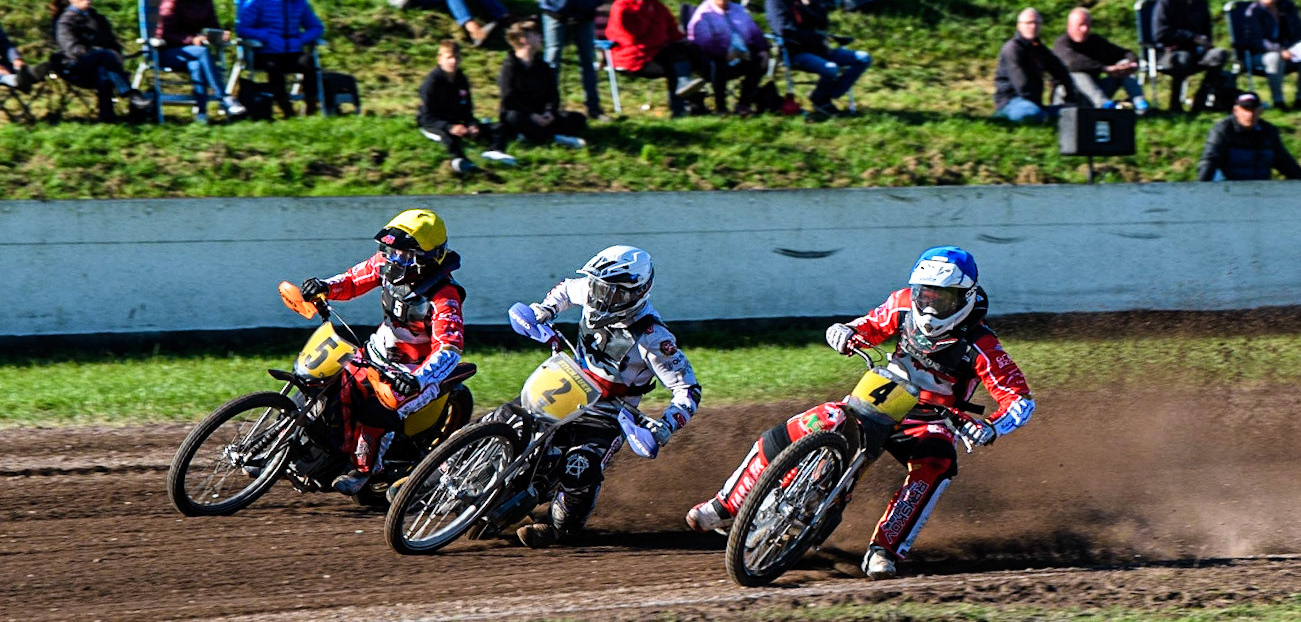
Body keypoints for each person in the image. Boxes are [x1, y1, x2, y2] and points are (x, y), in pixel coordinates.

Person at [687, 246, 1034, 583]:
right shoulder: (901, 304)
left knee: (938, 460)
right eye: (925, 296)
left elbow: (1020, 400)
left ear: (965, 298)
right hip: (885, 388)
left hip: (934, 416)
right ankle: (725, 504)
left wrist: (990, 427)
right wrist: (846, 332)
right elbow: (870, 325)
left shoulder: (983, 345)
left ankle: (885, 550)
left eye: (941, 300)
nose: (929, 308)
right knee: (818, 422)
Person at [515, 245, 701, 548]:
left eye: (610, 292)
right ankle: (445, 470)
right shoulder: (592, 290)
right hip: (565, 383)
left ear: (635, 293)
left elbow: (687, 389)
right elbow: (565, 289)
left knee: (580, 470)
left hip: (606, 414)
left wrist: (664, 427)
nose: (599, 297)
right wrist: (545, 310)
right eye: (599, 287)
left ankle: (560, 529)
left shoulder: (653, 337)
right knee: (509, 420)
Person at [298, 208, 467, 495]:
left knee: (376, 413)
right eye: (388, 250)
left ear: (426, 258)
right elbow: (352, 281)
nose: (391, 258)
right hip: (376, 352)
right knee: (325, 381)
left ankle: (365, 472)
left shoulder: (444, 297)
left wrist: (418, 379)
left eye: (402, 254)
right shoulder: (385, 265)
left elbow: (449, 349)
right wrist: (325, 286)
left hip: (413, 373)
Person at [764, 0, 871, 118]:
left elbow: (823, 22)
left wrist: (808, 3)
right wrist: (818, 40)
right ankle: (822, 99)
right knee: (831, 68)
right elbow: (786, 31)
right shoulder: (775, 0)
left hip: (819, 49)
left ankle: (823, 96)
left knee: (863, 58)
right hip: (795, 51)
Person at [603, 0, 705, 116]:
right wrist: (644, 8)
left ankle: (692, 101)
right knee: (675, 64)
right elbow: (633, 35)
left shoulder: (655, 5)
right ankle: (680, 107)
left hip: (655, 52)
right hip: (633, 58)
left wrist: (683, 41)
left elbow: (671, 30)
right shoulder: (622, 8)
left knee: (688, 53)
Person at [155, 0, 246, 122]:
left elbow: (212, 24)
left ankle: (201, 114)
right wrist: (191, 40)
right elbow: (166, 31)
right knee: (202, 52)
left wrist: (219, 34)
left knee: (197, 64)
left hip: (192, 53)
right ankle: (223, 97)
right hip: (168, 51)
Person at [52, 0, 152, 122]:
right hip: (75, 66)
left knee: (104, 71)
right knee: (104, 57)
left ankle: (107, 117)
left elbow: (113, 44)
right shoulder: (65, 21)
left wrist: (116, 54)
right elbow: (72, 49)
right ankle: (130, 94)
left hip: (102, 66)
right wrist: (100, 53)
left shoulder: (99, 19)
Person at [235, 0, 325, 118]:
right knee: (273, 66)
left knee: (308, 61)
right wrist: (266, 36)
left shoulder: (299, 0)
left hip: (292, 50)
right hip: (265, 51)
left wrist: (301, 40)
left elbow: (316, 27)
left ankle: (311, 104)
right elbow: (242, 28)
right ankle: (285, 107)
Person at [417, 39, 515, 175]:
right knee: (448, 137)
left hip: (457, 122)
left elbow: (467, 109)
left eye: (456, 57)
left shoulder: (461, 79)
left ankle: (494, 151)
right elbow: (427, 116)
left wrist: (472, 124)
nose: (453, 61)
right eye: (449, 57)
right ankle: (460, 161)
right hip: (434, 122)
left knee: (499, 127)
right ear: (440, 59)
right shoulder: (432, 82)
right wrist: (449, 127)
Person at [1150, 0, 1230, 113]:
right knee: (1183, 58)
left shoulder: (1200, 1)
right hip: (1169, 53)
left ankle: (1200, 99)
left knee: (1219, 54)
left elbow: (1207, 29)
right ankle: (1175, 104)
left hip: (1197, 51)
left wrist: (1207, 43)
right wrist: (1190, 37)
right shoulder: (1166, 2)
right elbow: (1160, 34)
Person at [686, 0, 770, 115]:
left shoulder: (738, 10)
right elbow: (704, 41)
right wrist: (727, 53)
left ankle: (744, 104)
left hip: (741, 54)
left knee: (760, 60)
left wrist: (763, 49)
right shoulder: (703, 13)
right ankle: (721, 106)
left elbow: (755, 32)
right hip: (712, 57)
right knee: (718, 64)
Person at [499, 21, 587, 149]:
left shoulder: (543, 66)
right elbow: (508, 99)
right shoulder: (509, 67)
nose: (541, 37)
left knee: (577, 119)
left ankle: (531, 135)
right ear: (524, 40)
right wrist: (532, 116)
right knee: (512, 117)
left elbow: (552, 93)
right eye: (536, 35)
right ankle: (554, 138)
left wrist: (549, 111)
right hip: (523, 115)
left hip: (542, 113)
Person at [1051, 7, 1148, 114]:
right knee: (1076, 74)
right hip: (1070, 98)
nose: (1085, 29)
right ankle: (1104, 105)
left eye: (1087, 25)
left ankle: (1140, 104)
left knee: (1124, 69)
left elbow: (1122, 53)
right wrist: (1104, 68)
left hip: (1095, 93)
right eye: (1081, 25)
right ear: (1069, 26)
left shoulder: (1095, 41)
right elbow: (1072, 63)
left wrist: (1131, 62)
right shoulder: (1062, 44)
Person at [993, 8, 1074, 122]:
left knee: (1075, 112)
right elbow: (1022, 85)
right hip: (1012, 101)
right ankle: (1003, 116)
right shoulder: (1012, 49)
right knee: (1030, 113)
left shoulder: (1040, 49)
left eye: (1036, 23)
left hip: (1035, 103)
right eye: (1029, 23)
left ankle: (1046, 115)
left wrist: (1070, 97)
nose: (1033, 26)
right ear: (1019, 25)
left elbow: (1061, 71)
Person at [1198, 91, 1301, 181]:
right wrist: (1201, 189)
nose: (1250, 115)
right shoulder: (1222, 131)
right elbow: (1209, 162)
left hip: (1260, 191)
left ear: (1260, 111)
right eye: (1245, 109)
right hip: (1229, 191)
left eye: (1253, 109)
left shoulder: (1269, 132)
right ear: (1236, 111)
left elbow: (1285, 163)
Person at [1241, 0, 1301, 110]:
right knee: (1274, 58)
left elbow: (1297, 31)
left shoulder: (1287, 7)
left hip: (1289, 50)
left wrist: (1294, 48)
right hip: (1260, 54)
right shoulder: (1253, 12)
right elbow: (1258, 41)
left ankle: (1299, 99)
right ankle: (1278, 101)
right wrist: (1281, 51)